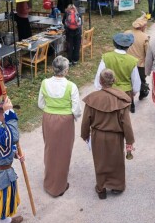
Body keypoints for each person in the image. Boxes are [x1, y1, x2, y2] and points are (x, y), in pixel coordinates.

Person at [81, 69, 135, 200]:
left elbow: (85, 120)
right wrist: (129, 141)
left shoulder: (92, 99)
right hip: (115, 137)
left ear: (100, 81)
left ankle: (101, 189)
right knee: (116, 161)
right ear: (114, 81)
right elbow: (126, 124)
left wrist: (85, 135)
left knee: (100, 162)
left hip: (97, 136)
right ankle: (117, 186)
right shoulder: (121, 99)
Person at [38, 56, 81, 197]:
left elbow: (41, 104)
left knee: (50, 149)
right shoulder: (71, 86)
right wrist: (72, 117)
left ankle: (49, 182)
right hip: (65, 121)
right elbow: (76, 109)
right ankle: (60, 185)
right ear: (66, 71)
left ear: (53, 69)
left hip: (49, 119)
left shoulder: (44, 83)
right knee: (64, 152)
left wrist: (50, 110)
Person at [94, 33, 140, 113]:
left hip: (109, 91)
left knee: (109, 115)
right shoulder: (132, 61)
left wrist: (99, 88)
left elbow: (99, 75)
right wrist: (134, 92)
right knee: (123, 117)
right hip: (125, 93)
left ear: (114, 44)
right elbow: (136, 80)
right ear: (128, 46)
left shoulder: (106, 57)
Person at [124, 14, 150, 101]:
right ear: (142, 27)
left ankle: (129, 99)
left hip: (127, 62)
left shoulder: (126, 33)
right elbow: (148, 52)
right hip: (139, 64)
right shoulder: (145, 37)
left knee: (129, 81)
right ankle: (143, 92)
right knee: (141, 79)